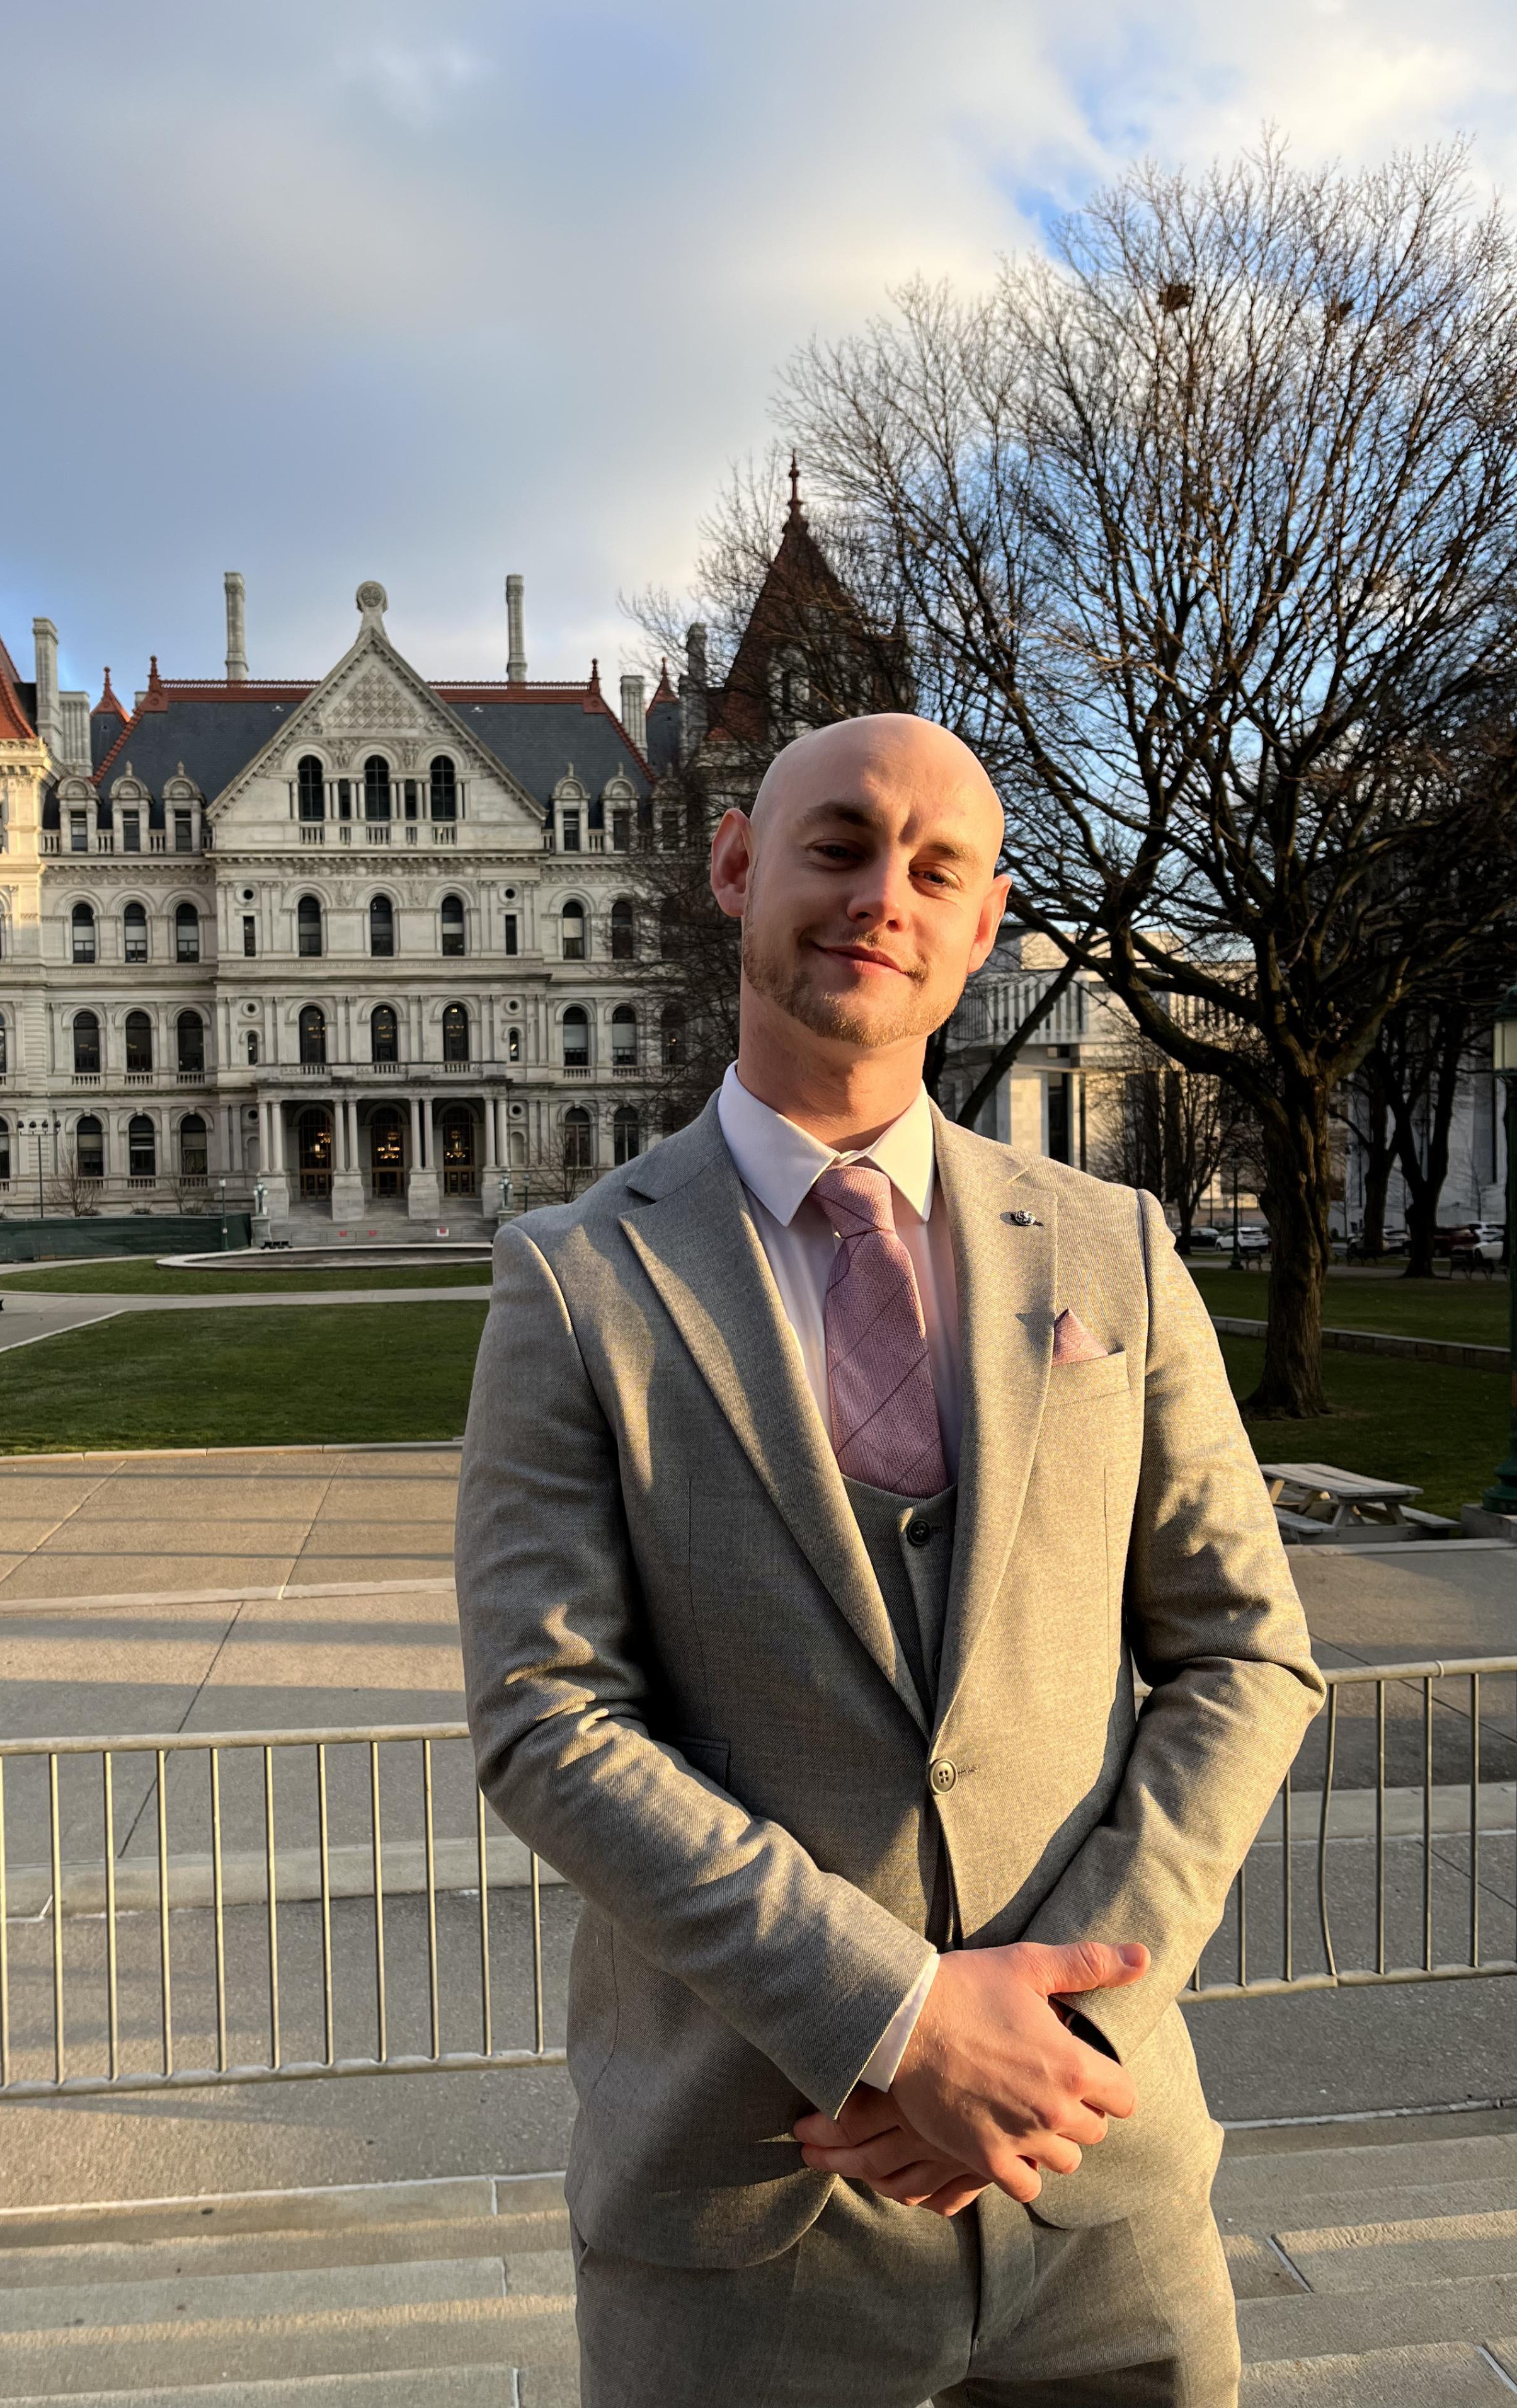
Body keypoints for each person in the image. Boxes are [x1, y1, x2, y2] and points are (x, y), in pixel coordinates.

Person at [455, 714, 1322, 2405]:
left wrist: (1055, 2030)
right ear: (733, 866)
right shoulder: (573, 1282)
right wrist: (904, 2023)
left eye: (936, 870)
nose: (882, 899)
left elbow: (1246, 1653)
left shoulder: (1110, 1248)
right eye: (837, 845)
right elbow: (545, 1718)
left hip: (1098, 2191)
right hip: (747, 2209)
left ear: (983, 925)